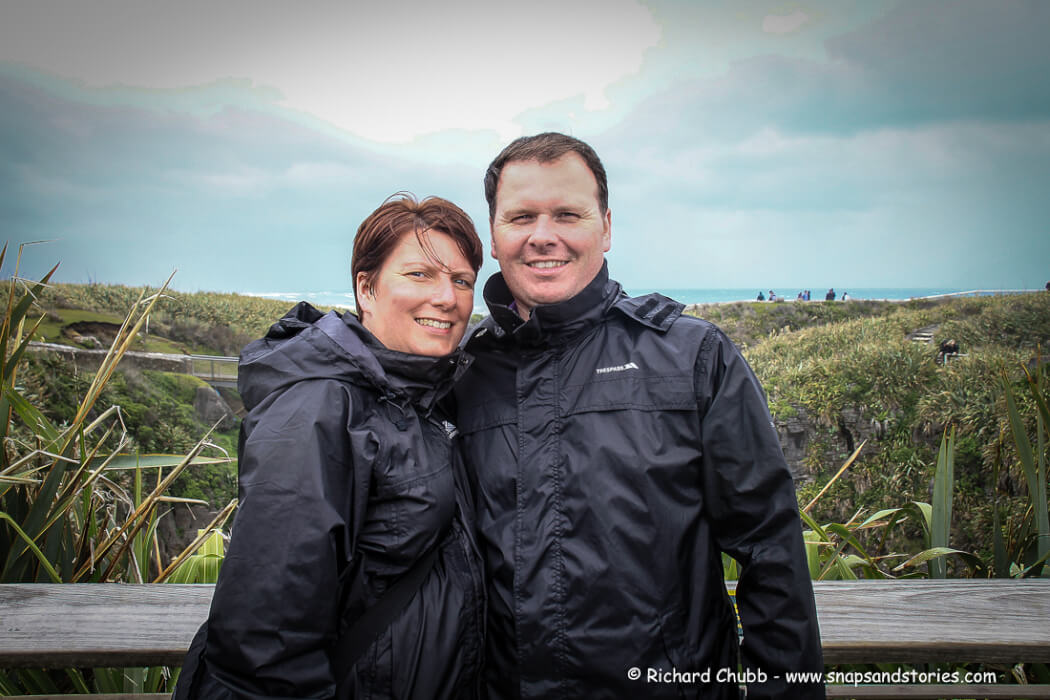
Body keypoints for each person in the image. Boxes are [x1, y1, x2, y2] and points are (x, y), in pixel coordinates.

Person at [455, 133, 823, 699]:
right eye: (521, 216)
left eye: (567, 214)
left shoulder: (692, 355)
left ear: (606, 227)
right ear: (495, 235)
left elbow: (770, 552)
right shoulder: (464, 372)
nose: (542, 235)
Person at [175, 194, 486, 699]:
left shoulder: (423, 396)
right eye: (420, 275)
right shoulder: (319, 408)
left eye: (461, 280)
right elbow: (264, 640)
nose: (448, 298)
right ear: (367, 287)